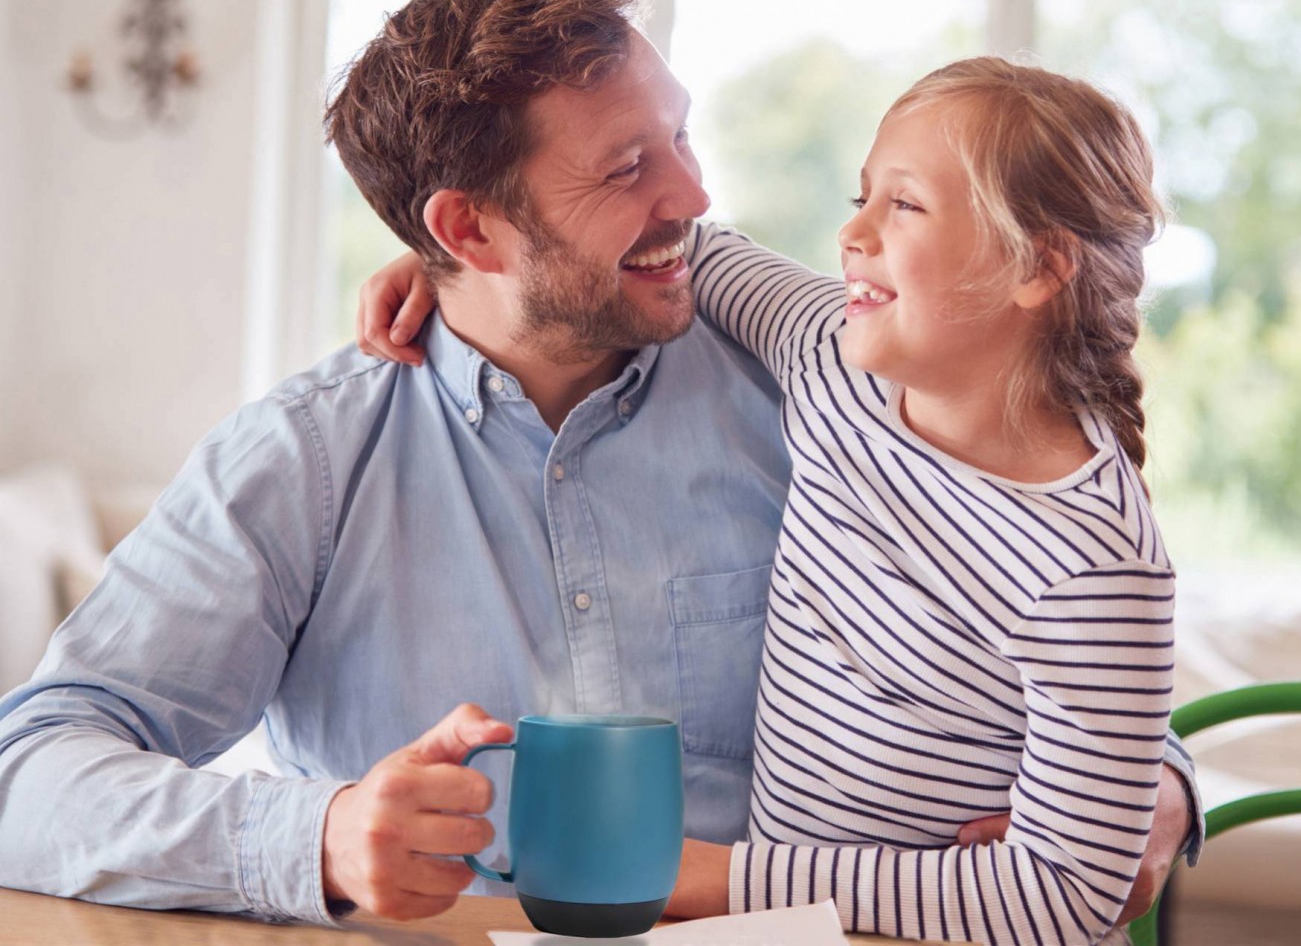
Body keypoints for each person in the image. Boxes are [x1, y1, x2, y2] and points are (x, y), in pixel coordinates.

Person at [0, 0, 1196, 930]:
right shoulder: (307, 461)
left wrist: (1156, 798)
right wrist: (311, 838)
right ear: (466, 228)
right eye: (629, 168)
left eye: (677, 135)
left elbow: (1073, 649)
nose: (695, 192)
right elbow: (30, 776)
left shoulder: (829, 388)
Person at [361, 57, 1185, 944]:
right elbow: (687, 247)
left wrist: (710, 876)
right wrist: (466, 256)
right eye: (858, 195)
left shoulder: (1093, 567)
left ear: (1036, 266)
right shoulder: (825, 354)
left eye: (902, 204)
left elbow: (1064, 894)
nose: (851, 233)